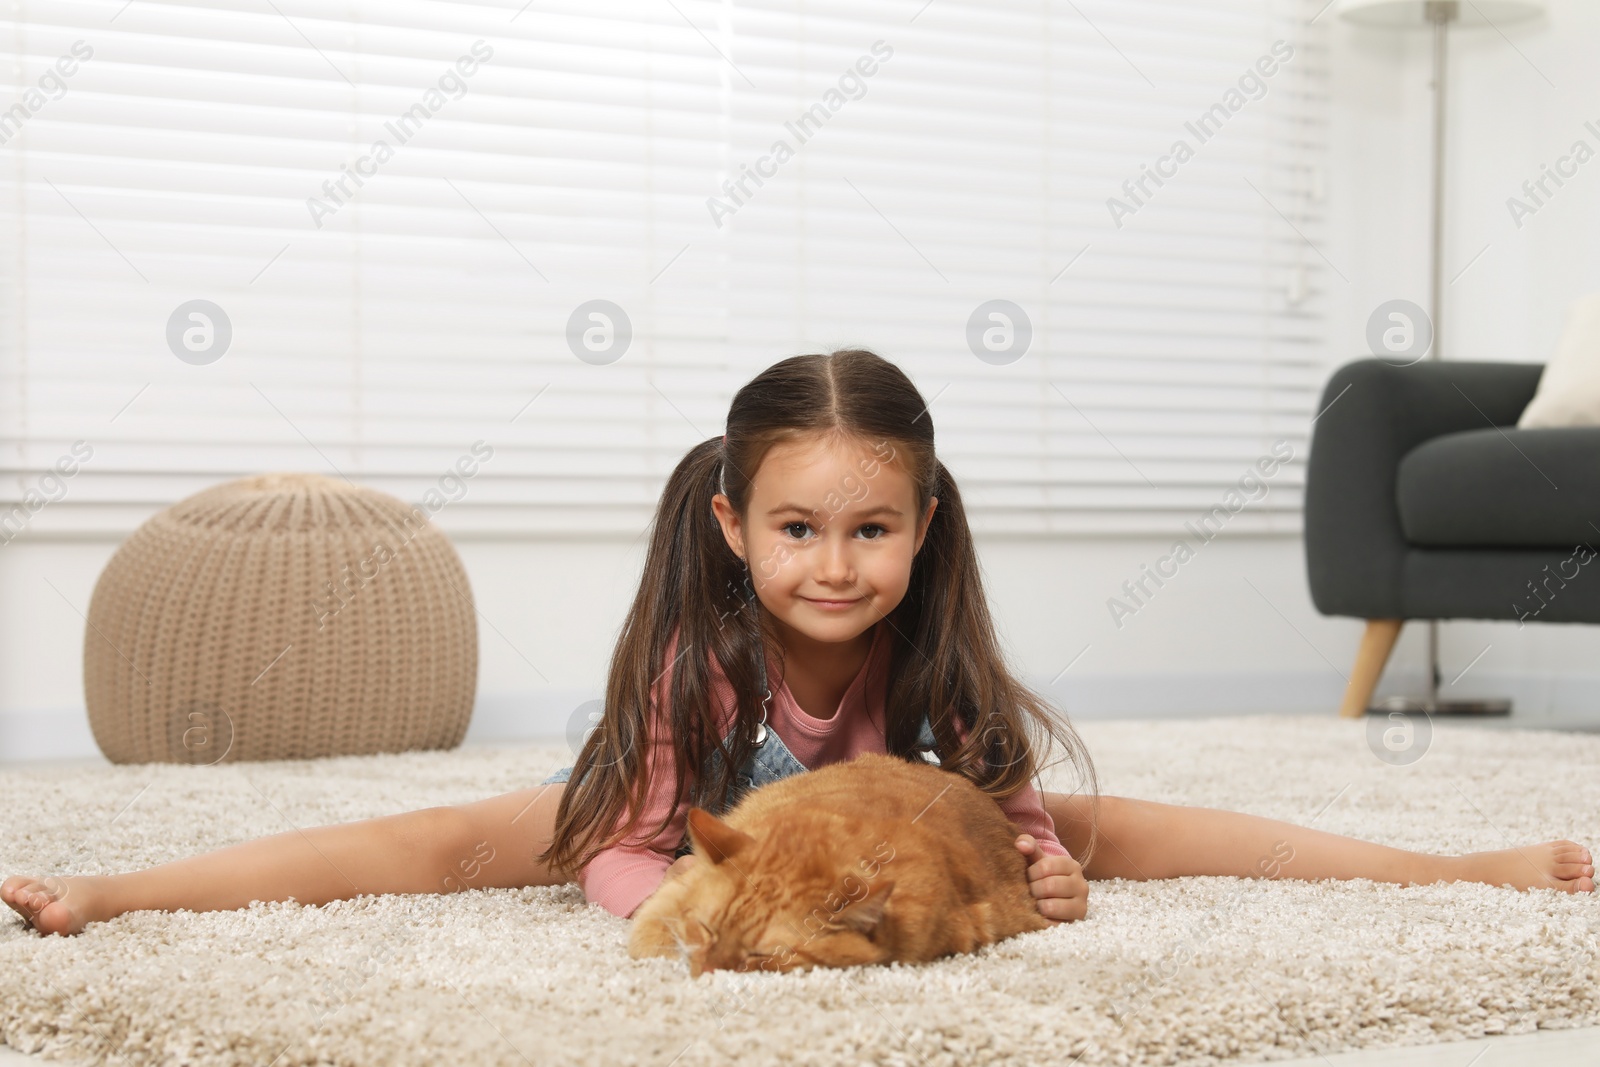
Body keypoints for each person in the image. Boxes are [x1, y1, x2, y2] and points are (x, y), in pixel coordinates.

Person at [4, 349, 1593, 939]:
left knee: (1139, 827)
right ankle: (114, 889)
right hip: (682, 804)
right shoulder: (698, 664)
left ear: (925, 528)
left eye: (873, 530)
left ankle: (1452, 876)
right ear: (730, 529)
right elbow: (623, 860)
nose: (835, 565)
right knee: (442, 842)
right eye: (797, 530)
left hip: (869, 808)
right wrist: (712, 903)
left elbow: (1008, 826)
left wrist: (1041, 880)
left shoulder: (942, 671)